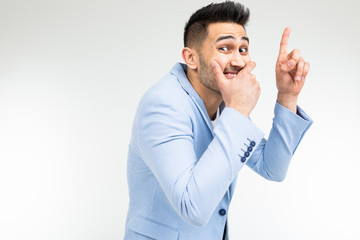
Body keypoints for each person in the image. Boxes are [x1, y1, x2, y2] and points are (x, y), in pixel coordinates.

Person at [124, 1, 313, 239]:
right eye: (225, 48)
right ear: (190, 57)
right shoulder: (163, 104)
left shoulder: (227, 104)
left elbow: (271, 167)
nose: (238, 61)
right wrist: (239, 109)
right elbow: (192, 207)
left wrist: (287, 95)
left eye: (243, 49)